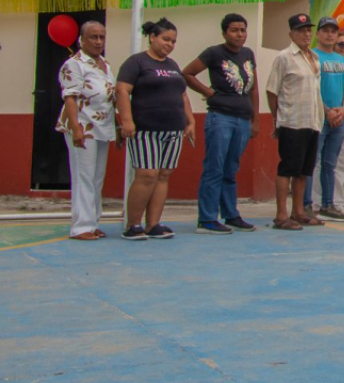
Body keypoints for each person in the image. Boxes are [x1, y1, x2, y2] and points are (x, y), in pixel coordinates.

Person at [116, 18, 196, 240]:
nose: (169, 44)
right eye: (165, 39)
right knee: (147, 174)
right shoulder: (136, 62)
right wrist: (127, 120)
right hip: (145, 129)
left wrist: (190, 122)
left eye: (173, 41)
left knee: (163, 174)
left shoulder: (172, 66)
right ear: (152, 37)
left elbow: (182, 95)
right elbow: (122, 91)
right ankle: (133, 225)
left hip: (172, 130)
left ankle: (153, 224)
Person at [182, 13, 259, 235]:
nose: (239, 34)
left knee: (231, 168)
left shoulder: (248, 54)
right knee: (214, 168)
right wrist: (209, 93)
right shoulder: (214, 53)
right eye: (234, 30)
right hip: (221, 118)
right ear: (224, 32)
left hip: (243, 120)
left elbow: (253, 87)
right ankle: (206, 219)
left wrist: (255, 119)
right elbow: (187, 73)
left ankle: (231, 214)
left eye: (243, 30)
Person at [56, 20, 115, 240]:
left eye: (102, 37)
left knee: (97, 178)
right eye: (93, 37)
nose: (98, 41)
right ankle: (81, 226)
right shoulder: (74, 64)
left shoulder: (105, 65)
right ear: (81, 39)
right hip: (83, 126)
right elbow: (70, 97)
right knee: (84, 177)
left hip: (102, 127)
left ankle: (93, 222)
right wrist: (76, 127)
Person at [265, 13, 325, 230]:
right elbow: (272, 90)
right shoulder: (284, 57)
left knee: (303, 171)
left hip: (312, 120)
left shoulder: (315, 58)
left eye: (308, 30)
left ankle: (298, 211)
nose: (306, 34)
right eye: (301, 30)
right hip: (292, 121)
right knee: (287, 168)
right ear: (291, 34)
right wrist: (277, 117)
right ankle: (281, 215)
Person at [304, 17, 344, 222]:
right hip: (317, 118)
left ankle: (328, 204)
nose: (330, 34)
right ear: (318, 33)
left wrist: (343, 108)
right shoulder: (311, 55)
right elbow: (310, 88)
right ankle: (305, 205)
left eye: (333, 31)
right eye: (325, 30)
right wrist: (326, 110)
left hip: (339, 120)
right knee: (310, 162)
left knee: (330, 164)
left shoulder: (341, 60)